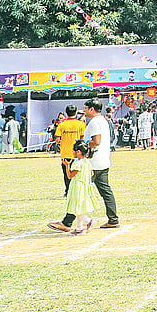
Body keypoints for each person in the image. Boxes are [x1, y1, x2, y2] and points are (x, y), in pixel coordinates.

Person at [49, 100, 119, 231]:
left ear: (92, 109)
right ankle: (113, 219)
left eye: (86, 108)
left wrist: (83, 144)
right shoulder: (103, 121)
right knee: (105, 191)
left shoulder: (95, 122)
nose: (84, 111)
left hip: (92, 164)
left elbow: (96, 141)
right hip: (102, 161)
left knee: (76, 190)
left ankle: (67, 223)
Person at [53, 140, 101, 235]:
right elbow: (91, 173)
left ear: (78, 152)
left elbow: (70, 176)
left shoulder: (78, 163)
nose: (72, 152)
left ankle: (88, 221)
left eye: (73, 150)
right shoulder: (86, 162)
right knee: (79, 207)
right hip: (84, 185)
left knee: (77, 207)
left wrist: (67, 165)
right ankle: (79, 228)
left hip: (78, 187)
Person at [54, 106, 87, 195]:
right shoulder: (81, 124)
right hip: (78, 153)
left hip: (65, 152)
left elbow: (57, 140)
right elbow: (82, 138)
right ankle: (78, 190)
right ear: (76, 113)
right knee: (78, 173)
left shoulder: (61, 124)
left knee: (67, 173)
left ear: (66, 113)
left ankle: (68, 191)